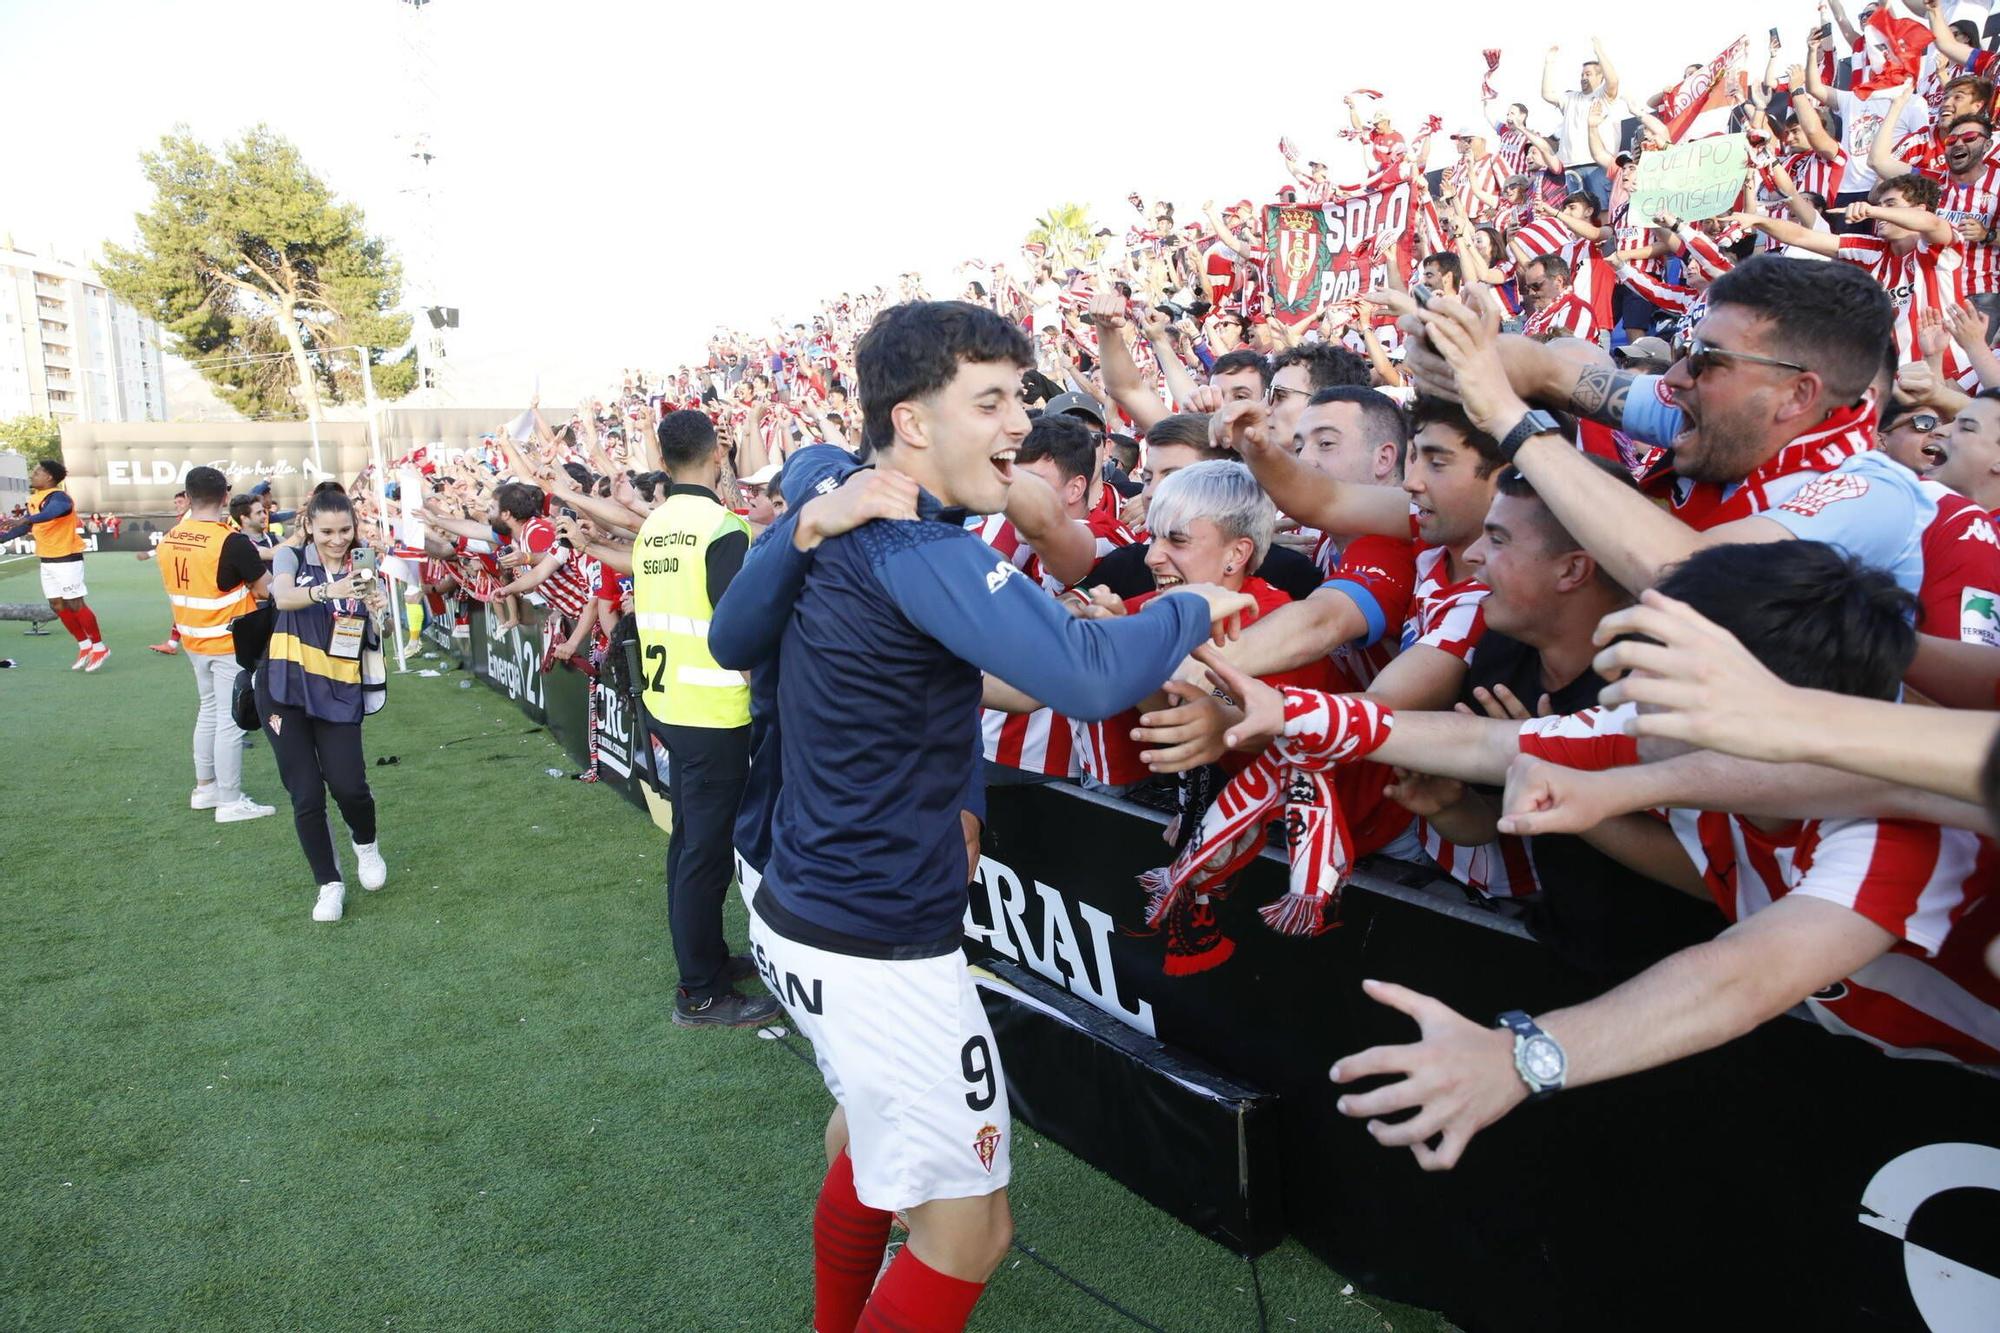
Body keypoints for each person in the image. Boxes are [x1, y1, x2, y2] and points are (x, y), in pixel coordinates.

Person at [744, 300, 1249, 1332]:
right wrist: (1196, 607)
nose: (1018, 422)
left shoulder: (845, 510)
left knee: (872, 1146)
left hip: (804, 910)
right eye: (991, 400)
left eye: (1018, 395)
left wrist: (801, 511)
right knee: (970, 1230)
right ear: (912, 422)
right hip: (877, 943)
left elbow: (743, 632)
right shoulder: (913, 548)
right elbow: (1083, 675)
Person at [633, 409, 777, 1028]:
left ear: (662, 463)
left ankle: (708, 961)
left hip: (670, 705)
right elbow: (736, 628)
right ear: (719, 454)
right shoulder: (721, 527)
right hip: (714, 711)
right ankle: (700, 992)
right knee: (705, 853)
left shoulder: (655, 526)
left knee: (690, 844)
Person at [261, 488, 388, 921]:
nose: (337, 539)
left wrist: (377, 610)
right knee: (306, 794)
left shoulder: (366, 564)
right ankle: (329, 884)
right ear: (309, 526)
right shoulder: (291, 558)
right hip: (283, 685)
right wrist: (328, 591)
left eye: (345, 530)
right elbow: (282, 597)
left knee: (349, 785)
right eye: (327, 531)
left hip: (338, 688)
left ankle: (365, 844)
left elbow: (374, 634)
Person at [156, 467, 276, 825]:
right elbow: (266, 588)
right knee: (230, 719)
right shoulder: (229, 540)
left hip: (194, 639)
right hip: (228, 640)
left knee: (209, 711)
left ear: (188, 496)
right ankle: (229, 799)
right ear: (225, 497)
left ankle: (205, 787)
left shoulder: (172, 536)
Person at [0, 459, 107, 670]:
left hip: (67, 558)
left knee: (76, 604)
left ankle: (100, 647)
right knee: (57, 605)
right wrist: (4, 536)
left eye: (38, 471)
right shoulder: (35, 499)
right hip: (47, 560)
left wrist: (25, 520)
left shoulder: (59, 497)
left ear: (49, 477)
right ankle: (85, 646)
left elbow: (54, 511)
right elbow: (27, 527)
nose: (33, 474)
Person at [140, 490, 190, 654]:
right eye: (175, 503)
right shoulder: (186, 518)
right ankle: (173, 643)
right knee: (184, 605)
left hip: (191, 568)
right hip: (187, 567)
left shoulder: (190, 519)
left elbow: (171, 541)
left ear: (190, 500)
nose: (177, 506)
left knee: (185, 605)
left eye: (180, 502)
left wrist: (149, 554)